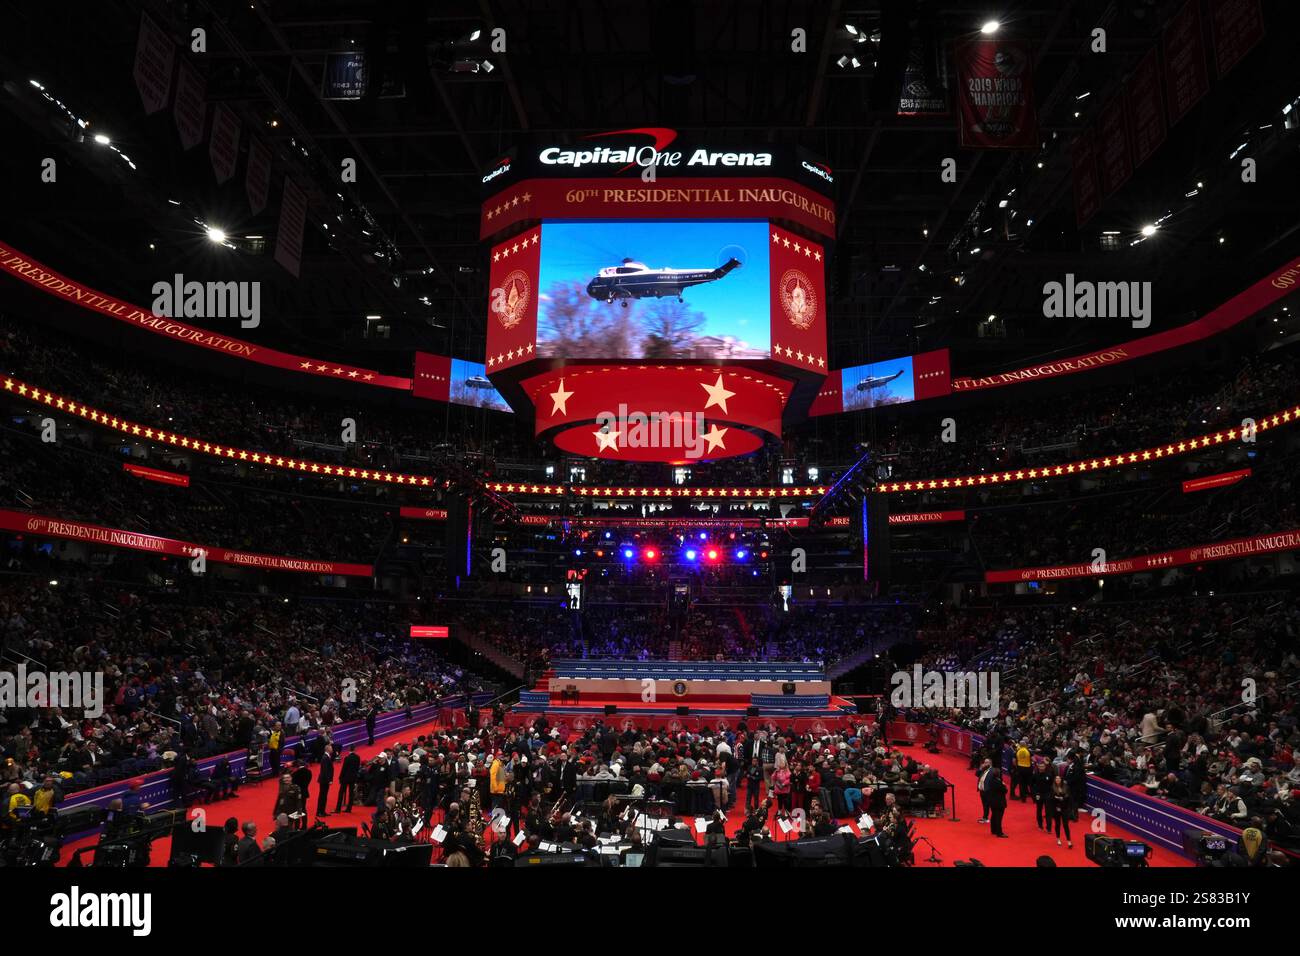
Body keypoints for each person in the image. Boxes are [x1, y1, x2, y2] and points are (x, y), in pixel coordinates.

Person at [1049, 775, 1073, 848]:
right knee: (1057, 824)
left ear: (1061, 779)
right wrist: (1055, 798)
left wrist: (1063, 798)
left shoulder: (1066, 787)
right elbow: (1051, 798)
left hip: (1064, 808)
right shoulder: (1052, 788)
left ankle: (1069, 841)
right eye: (1056, 778)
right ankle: (1058, 838)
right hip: (1056, 808)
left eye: (1059, 778)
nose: (1057, 779)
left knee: (1066, 824)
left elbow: (1069, 796)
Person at [984, 765, 1008, 838]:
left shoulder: (991, 780)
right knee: (998, 817)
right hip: (999, 802)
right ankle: (999, 832)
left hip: (993, 801)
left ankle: (993, 830)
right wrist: (1004, 785)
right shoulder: (998, 782)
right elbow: (1004, 790)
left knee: (994, 815)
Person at [336, 745, 360, 813]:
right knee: (351, 793)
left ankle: (338, 808)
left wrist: (340, 777)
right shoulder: (357, 757)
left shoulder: (347, 758)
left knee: (341, 793)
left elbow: (344, 769)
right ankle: (349, 808)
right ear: (354, 749)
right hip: (353, 778)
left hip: (345, 778)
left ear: (349, 749)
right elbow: (357, 768)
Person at [316, 744, 335, 818]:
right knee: (322, 796)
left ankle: (322, 811)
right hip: (324, 780)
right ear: (327, 749)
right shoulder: (325, 758)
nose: (332, 749)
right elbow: (325, 771)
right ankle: (320, 812)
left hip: (324, 780)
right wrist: (329, 780)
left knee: (324, 796)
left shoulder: (327, 757)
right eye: (331, 748)